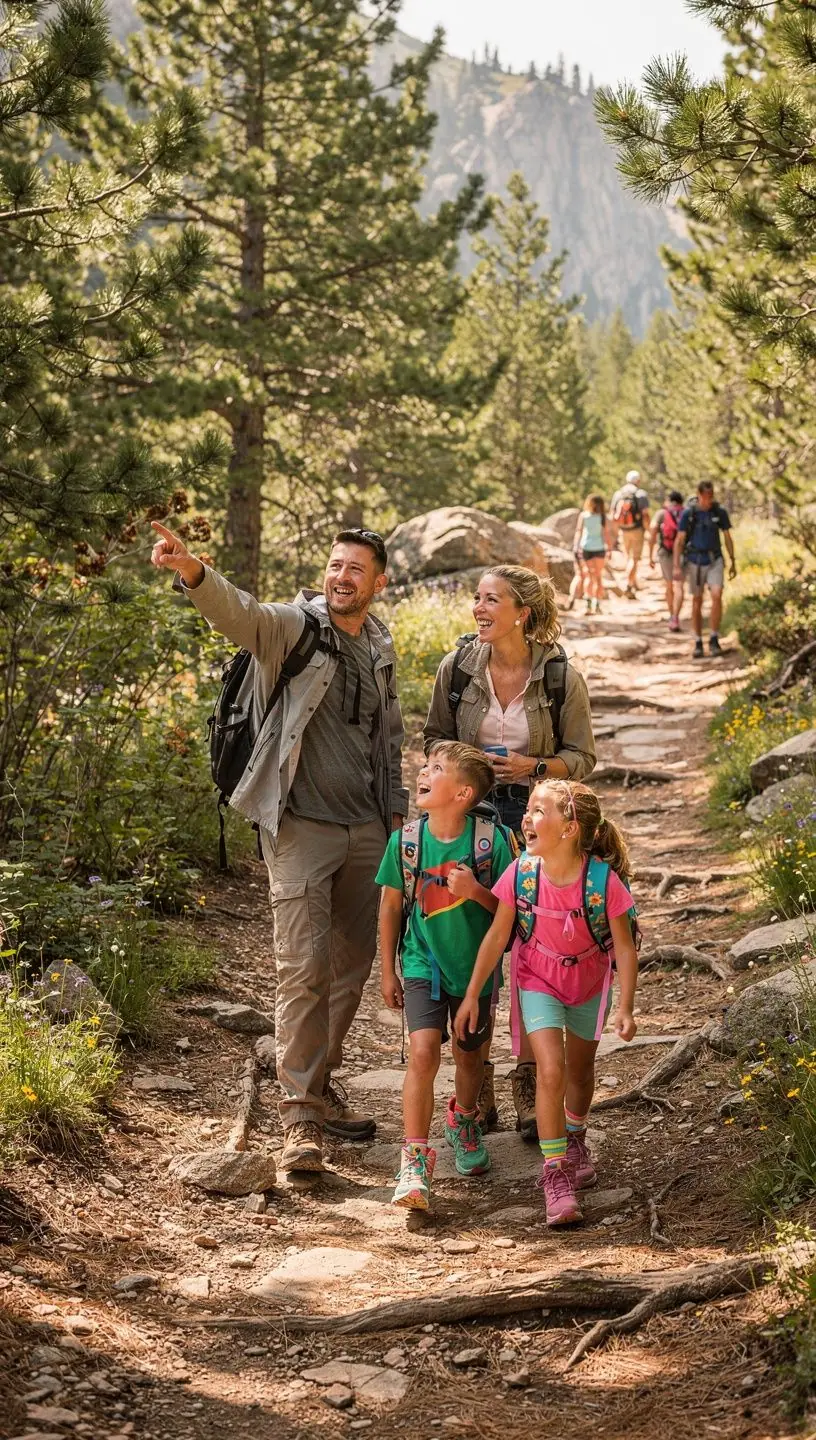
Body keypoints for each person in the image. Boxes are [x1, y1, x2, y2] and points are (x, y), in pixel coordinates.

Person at [150, 521, 408, 1174]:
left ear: (379, 582)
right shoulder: (296, 628)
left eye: (356, 569)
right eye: (336, 565)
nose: (341, 576)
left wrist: (398, 823)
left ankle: (318, 1085)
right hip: (299, 827)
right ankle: (300, 1121)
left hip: (367, 832)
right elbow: (243, 615)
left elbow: (390, 739)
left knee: (351, 970)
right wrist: (194, 573)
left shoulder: (380, 644)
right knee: (303, 970)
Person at [423, 565, 596, 1140]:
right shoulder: (457, 667)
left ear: (522, 612)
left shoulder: (560, 676)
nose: (478, 607)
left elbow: (583, 758)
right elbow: (433, 739)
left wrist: (532, 767)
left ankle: (529, 1080)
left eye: (491, 599)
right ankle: (478, 1081)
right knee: (474, 938)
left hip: (537, 821)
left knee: (533, 944)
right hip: (468, 817)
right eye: (476, 598)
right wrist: (467, 770)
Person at [454, 779, 639, 1227]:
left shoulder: (602, 882)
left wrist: (626, 1007)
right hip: (537, 979)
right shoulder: (521, 873)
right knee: (550, 1069)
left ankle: (575, 1135)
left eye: (539, 811)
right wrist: (473, 994)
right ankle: (555, 1173)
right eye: (529, 810)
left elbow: (625, 946)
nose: (526, 818)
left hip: (589, 983)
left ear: (570, 828)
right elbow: (497, 935)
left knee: (580, 1072)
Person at [377, 741, 513, 1211]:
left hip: (477, 970)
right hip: (422, 963)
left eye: (436, 768)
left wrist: (475, 891)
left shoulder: (490, 843)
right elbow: (390, 906)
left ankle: (464, 1119)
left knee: (469, 1057)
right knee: (422, 1053)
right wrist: (388, 970)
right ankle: (414, 1159)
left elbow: (509, 913)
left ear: (462, 793)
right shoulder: (406, 842)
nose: (423, 772)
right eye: (425, 765)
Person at [673, 481, 737, 659]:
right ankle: (698, 641)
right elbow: (680, 540)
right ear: (699, 494)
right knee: (697, 600)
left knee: (717, 594)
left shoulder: (719, 512)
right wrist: (677, 565)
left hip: (714, 559)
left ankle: (714, 638)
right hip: (695, 560)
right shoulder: (689, 513)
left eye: (711, 495)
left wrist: (732, 560)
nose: (709, 499)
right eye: (706, 495)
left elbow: (727, 537)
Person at [648, 488, 686, 632]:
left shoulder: (661, 513)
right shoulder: (685, 513)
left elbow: (652, 531)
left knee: (669, 585)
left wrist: (650, 555)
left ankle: (671, 616)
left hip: (665, 551)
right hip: (683, 552)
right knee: (679, 586)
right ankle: (676, 616)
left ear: (668, 500)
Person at [610, 469, 650, 598]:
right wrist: (648, 530)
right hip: (637, 529)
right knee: (635, 559)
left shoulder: (618, 493)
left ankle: (633, 582)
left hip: (623, 530)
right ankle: (628, 585)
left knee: (628, 558)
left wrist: (615, 534)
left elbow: (613, 514)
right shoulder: (641, 494)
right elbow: (645, 514)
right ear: (638, 481)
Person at [571, 495, 612, 615]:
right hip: (599, 548)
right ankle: (597, 606)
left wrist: (576, 546)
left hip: (586, 547)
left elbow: (578, 531)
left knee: (589, 576)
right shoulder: (602, 517)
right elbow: (606, 534)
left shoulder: (583, 515)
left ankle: (588, 606)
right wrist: (609, 549)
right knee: (598, 577)